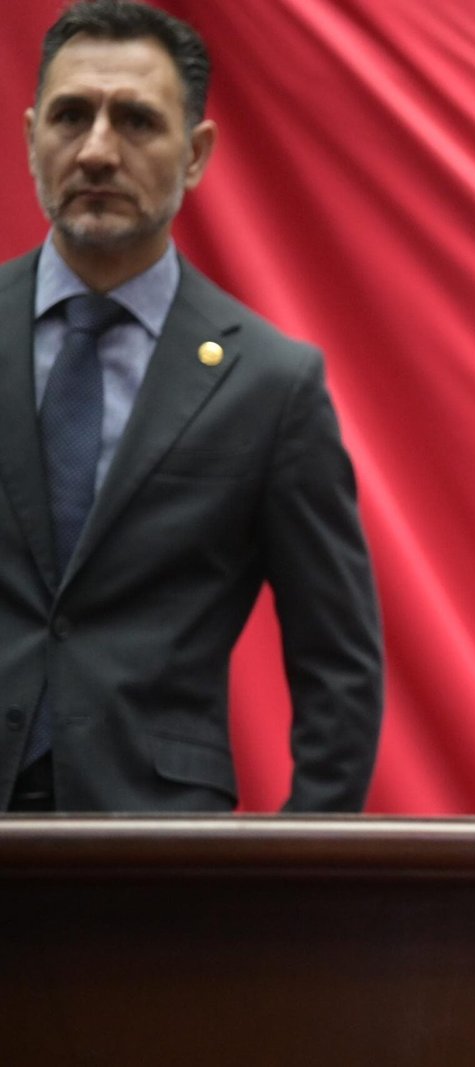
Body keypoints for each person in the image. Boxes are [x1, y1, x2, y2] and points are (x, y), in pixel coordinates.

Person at [0, 0, 382, 812]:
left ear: (197, 152)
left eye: (136, 120)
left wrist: (299, 867)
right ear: (32, 136)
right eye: (70, 116)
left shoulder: (270, 384)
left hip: (157, 843)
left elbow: (338, 668)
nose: (97, 150)